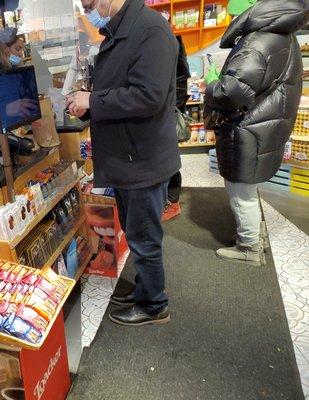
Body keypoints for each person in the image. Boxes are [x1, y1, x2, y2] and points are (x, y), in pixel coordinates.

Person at [66, 0, 181, 326]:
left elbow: (148, 96)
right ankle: (146, 289)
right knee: (136, 231)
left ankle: (154, 305)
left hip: (142, 159)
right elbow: (119, 89)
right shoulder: (121, 31)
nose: (87, 9)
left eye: (88, 3)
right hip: (128, 157)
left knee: (144, 239)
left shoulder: (150, 30)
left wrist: (94, 100)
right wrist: (88, 104)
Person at [204, 0, 305, 265]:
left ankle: (249, 248)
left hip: (246, 128)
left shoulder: (257, 40)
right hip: (262, 124)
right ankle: (255, 235)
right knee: (248, 187)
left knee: (240, 189)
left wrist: (211, 84)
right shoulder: (283, 35)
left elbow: (232, 91)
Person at [162, 35, 191, 222]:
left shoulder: (169, 47)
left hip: (168, 116)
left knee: (169, 161)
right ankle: (169, 201)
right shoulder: (173, 46)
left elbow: (177, 87)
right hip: (168, 113)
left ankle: (173, 203)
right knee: (168, 160)